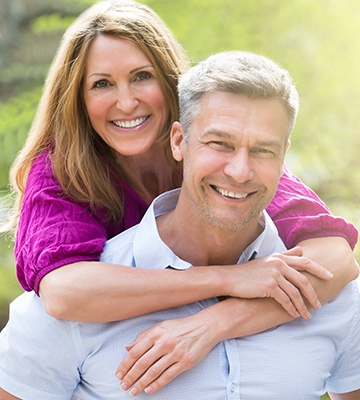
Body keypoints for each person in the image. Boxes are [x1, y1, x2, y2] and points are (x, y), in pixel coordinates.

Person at [0, 0, 358, 392]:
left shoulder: (230, 159)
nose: (126, 101)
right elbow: (65, 293)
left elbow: (335, 258)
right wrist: (231, 279)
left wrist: (213, 323)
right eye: (102, 83)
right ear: (79, 99)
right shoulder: (62, 172)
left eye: (141, 77)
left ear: (171, 83)